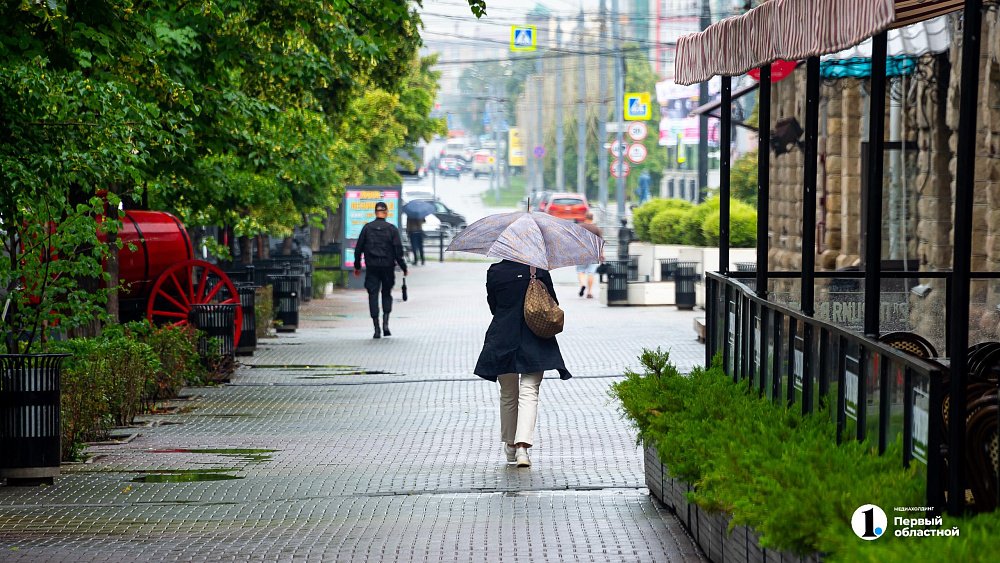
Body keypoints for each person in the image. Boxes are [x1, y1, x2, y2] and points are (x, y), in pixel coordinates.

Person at [474, 259, 571, 468]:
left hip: (502, 337)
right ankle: (522, 449)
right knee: (530, 391)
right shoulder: (538, 269)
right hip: (535, 338)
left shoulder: (495, 271)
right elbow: (552, 302)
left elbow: (494, 305)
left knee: (508, 394)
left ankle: (509, 445)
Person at [353, 201, 408, 339]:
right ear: (386, 212)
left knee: (373, 294)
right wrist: (403, 267)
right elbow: (398, 251)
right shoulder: (392, 229)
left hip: (372, 267)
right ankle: (385, 325)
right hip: (387, 267)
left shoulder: (367, 228)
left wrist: (357, 266)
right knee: (386, 293)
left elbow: (358, 248)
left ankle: (376, 328)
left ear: (375, 212)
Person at [576, 212, 603, 299]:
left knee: (581, 271)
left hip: (581, 252)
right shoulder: (597, 229)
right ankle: (590, 292)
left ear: (585, 218)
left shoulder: (579, 227)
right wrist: (602, 254)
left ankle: (583, 284)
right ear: (592, 218)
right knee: (591, 272)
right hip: (594, 253)